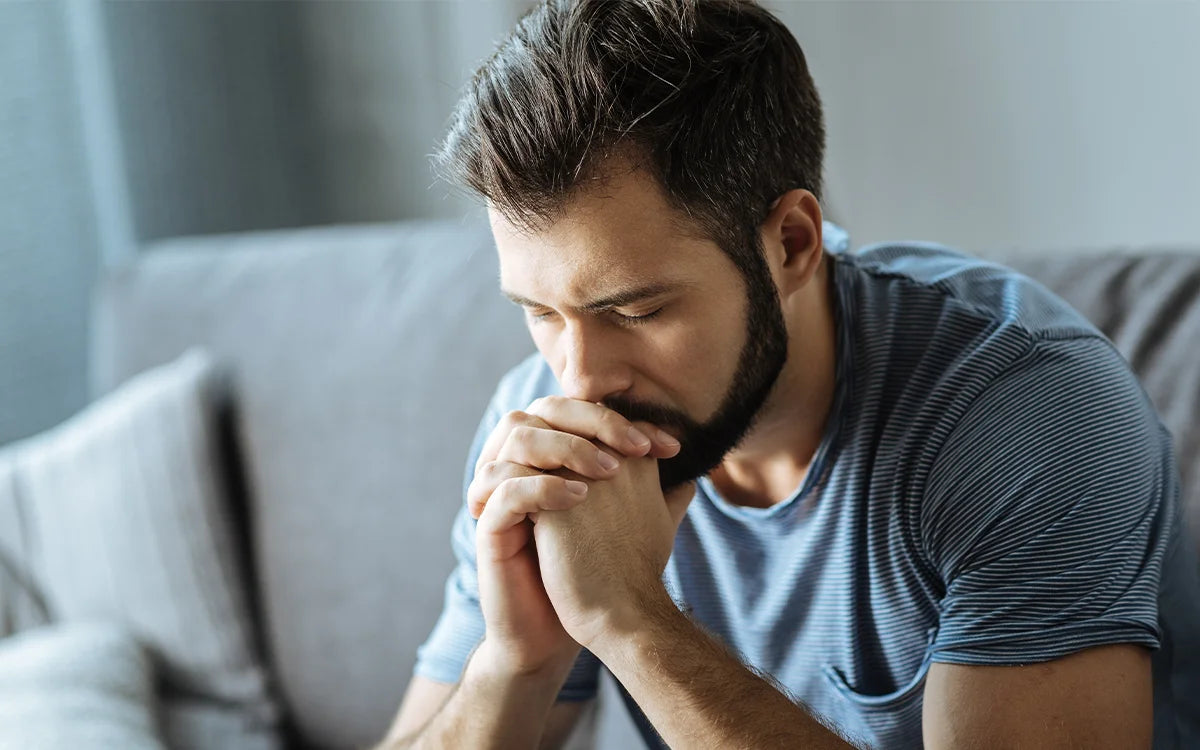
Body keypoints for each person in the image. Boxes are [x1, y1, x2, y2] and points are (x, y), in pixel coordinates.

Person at [375, 1, 1200, 747]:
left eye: (637, 311)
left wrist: (632, 621)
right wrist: (514, 660)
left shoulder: (1023, 412)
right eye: (542, 312)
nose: (579, 377)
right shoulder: (542, 428)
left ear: (792, 245)